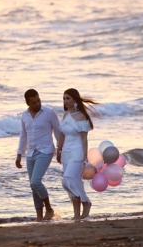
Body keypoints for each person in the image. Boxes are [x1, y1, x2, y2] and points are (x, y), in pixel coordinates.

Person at [16, 89, 61, 221]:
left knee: (36, 182)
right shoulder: (24, 115)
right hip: (30, 153)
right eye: (33, 102)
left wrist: (60, 150)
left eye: (38, 100)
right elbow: (23, 135)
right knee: (32, 185)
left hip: (45, 151)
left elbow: (58, 132)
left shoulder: (49, 113)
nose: (37, 103)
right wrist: (19, 154)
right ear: (27, 103)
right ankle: (39, 217)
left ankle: (49, 209)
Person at [56, 88, 99, 220]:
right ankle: (76, 215)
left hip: (77, 152)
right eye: (64, 99)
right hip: (66, 154)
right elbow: (62, 134)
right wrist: (59, 150)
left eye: (68, 98)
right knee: (75, 182)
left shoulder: (81, 116)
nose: (65, 101)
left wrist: (84, 156)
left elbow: (84, 138)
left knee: (67, 180)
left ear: (74, 99)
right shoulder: (66, 115)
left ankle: (86, 202)